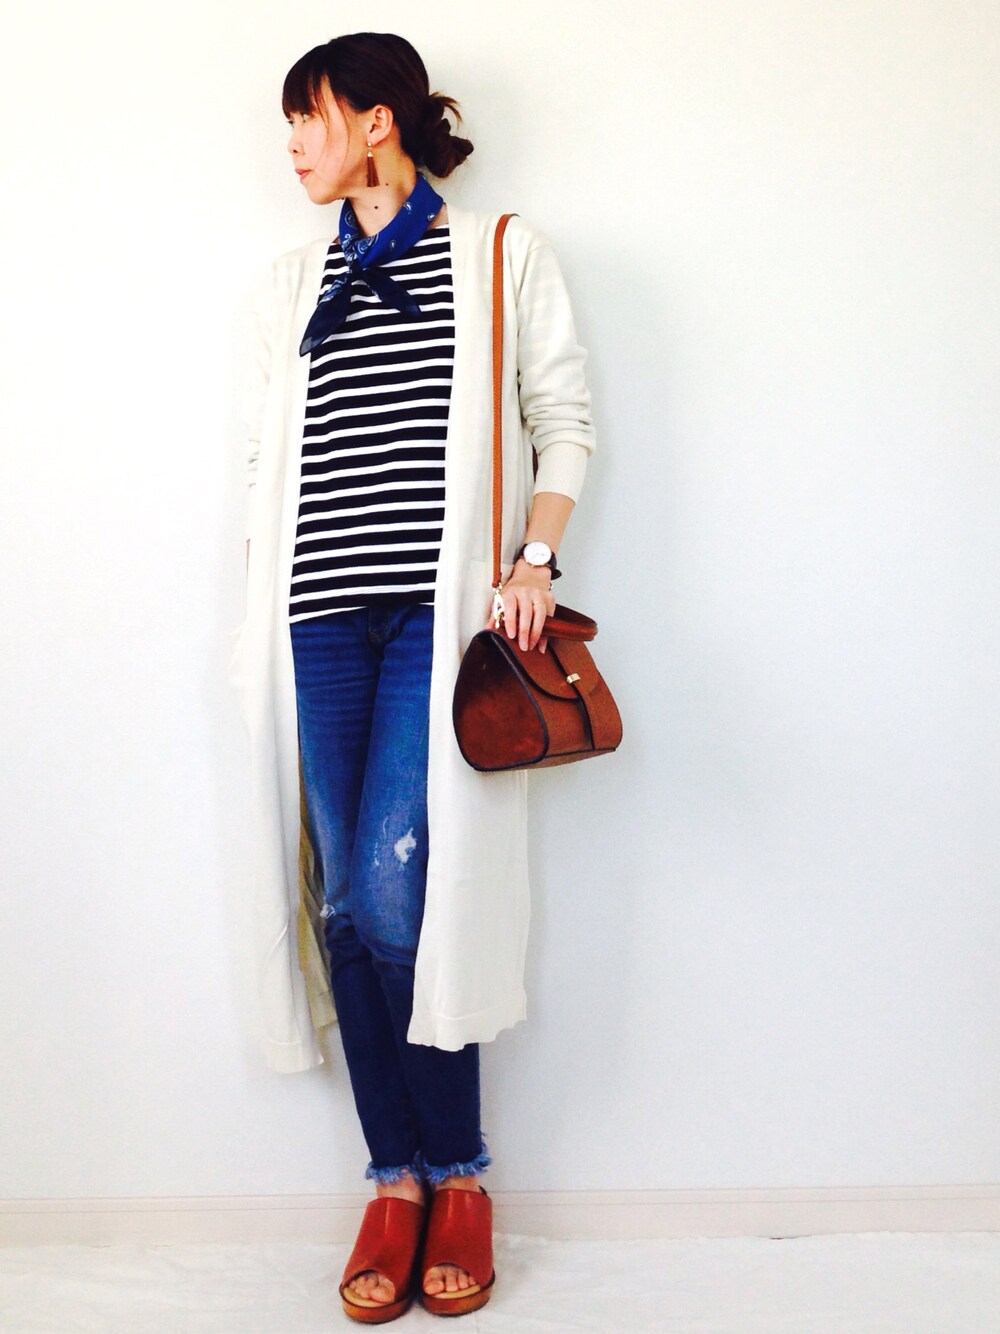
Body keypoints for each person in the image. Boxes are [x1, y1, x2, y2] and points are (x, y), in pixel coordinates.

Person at [233, 30, 594, 1323]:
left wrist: (534, 559)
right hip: (314, 625)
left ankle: (461, 1172)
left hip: (434, 631)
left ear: (375, 121)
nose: (294, 146)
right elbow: (267, 467)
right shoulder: (294, 282)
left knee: (400, 900)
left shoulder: (499, 253)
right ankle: (393, 1178)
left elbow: (564, 421)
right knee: (340, 902)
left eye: (310, 119)